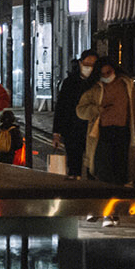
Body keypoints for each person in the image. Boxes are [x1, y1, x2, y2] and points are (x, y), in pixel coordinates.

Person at [76, 57, 135, 187]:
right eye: (103, 74)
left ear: (114, 70)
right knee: (104, 174)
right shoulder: (95, 88)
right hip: (103, 134)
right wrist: (97, 110)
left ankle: (118, 202)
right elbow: (80, 110)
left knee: (122, 173)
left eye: (109, 72)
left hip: (123, 133)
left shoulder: (127, 85)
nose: (107, 76)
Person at [50, 49, 97, 178]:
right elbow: (61, 108)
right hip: (72, 130)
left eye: (93, 65)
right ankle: (75, 189)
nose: (89, 68)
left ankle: (92, 192)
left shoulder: (98, 84)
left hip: (93, 131)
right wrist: (56, 133)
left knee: (93, 167)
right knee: (74, 165)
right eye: (87, 64)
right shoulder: (70, 82)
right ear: (81, 63)